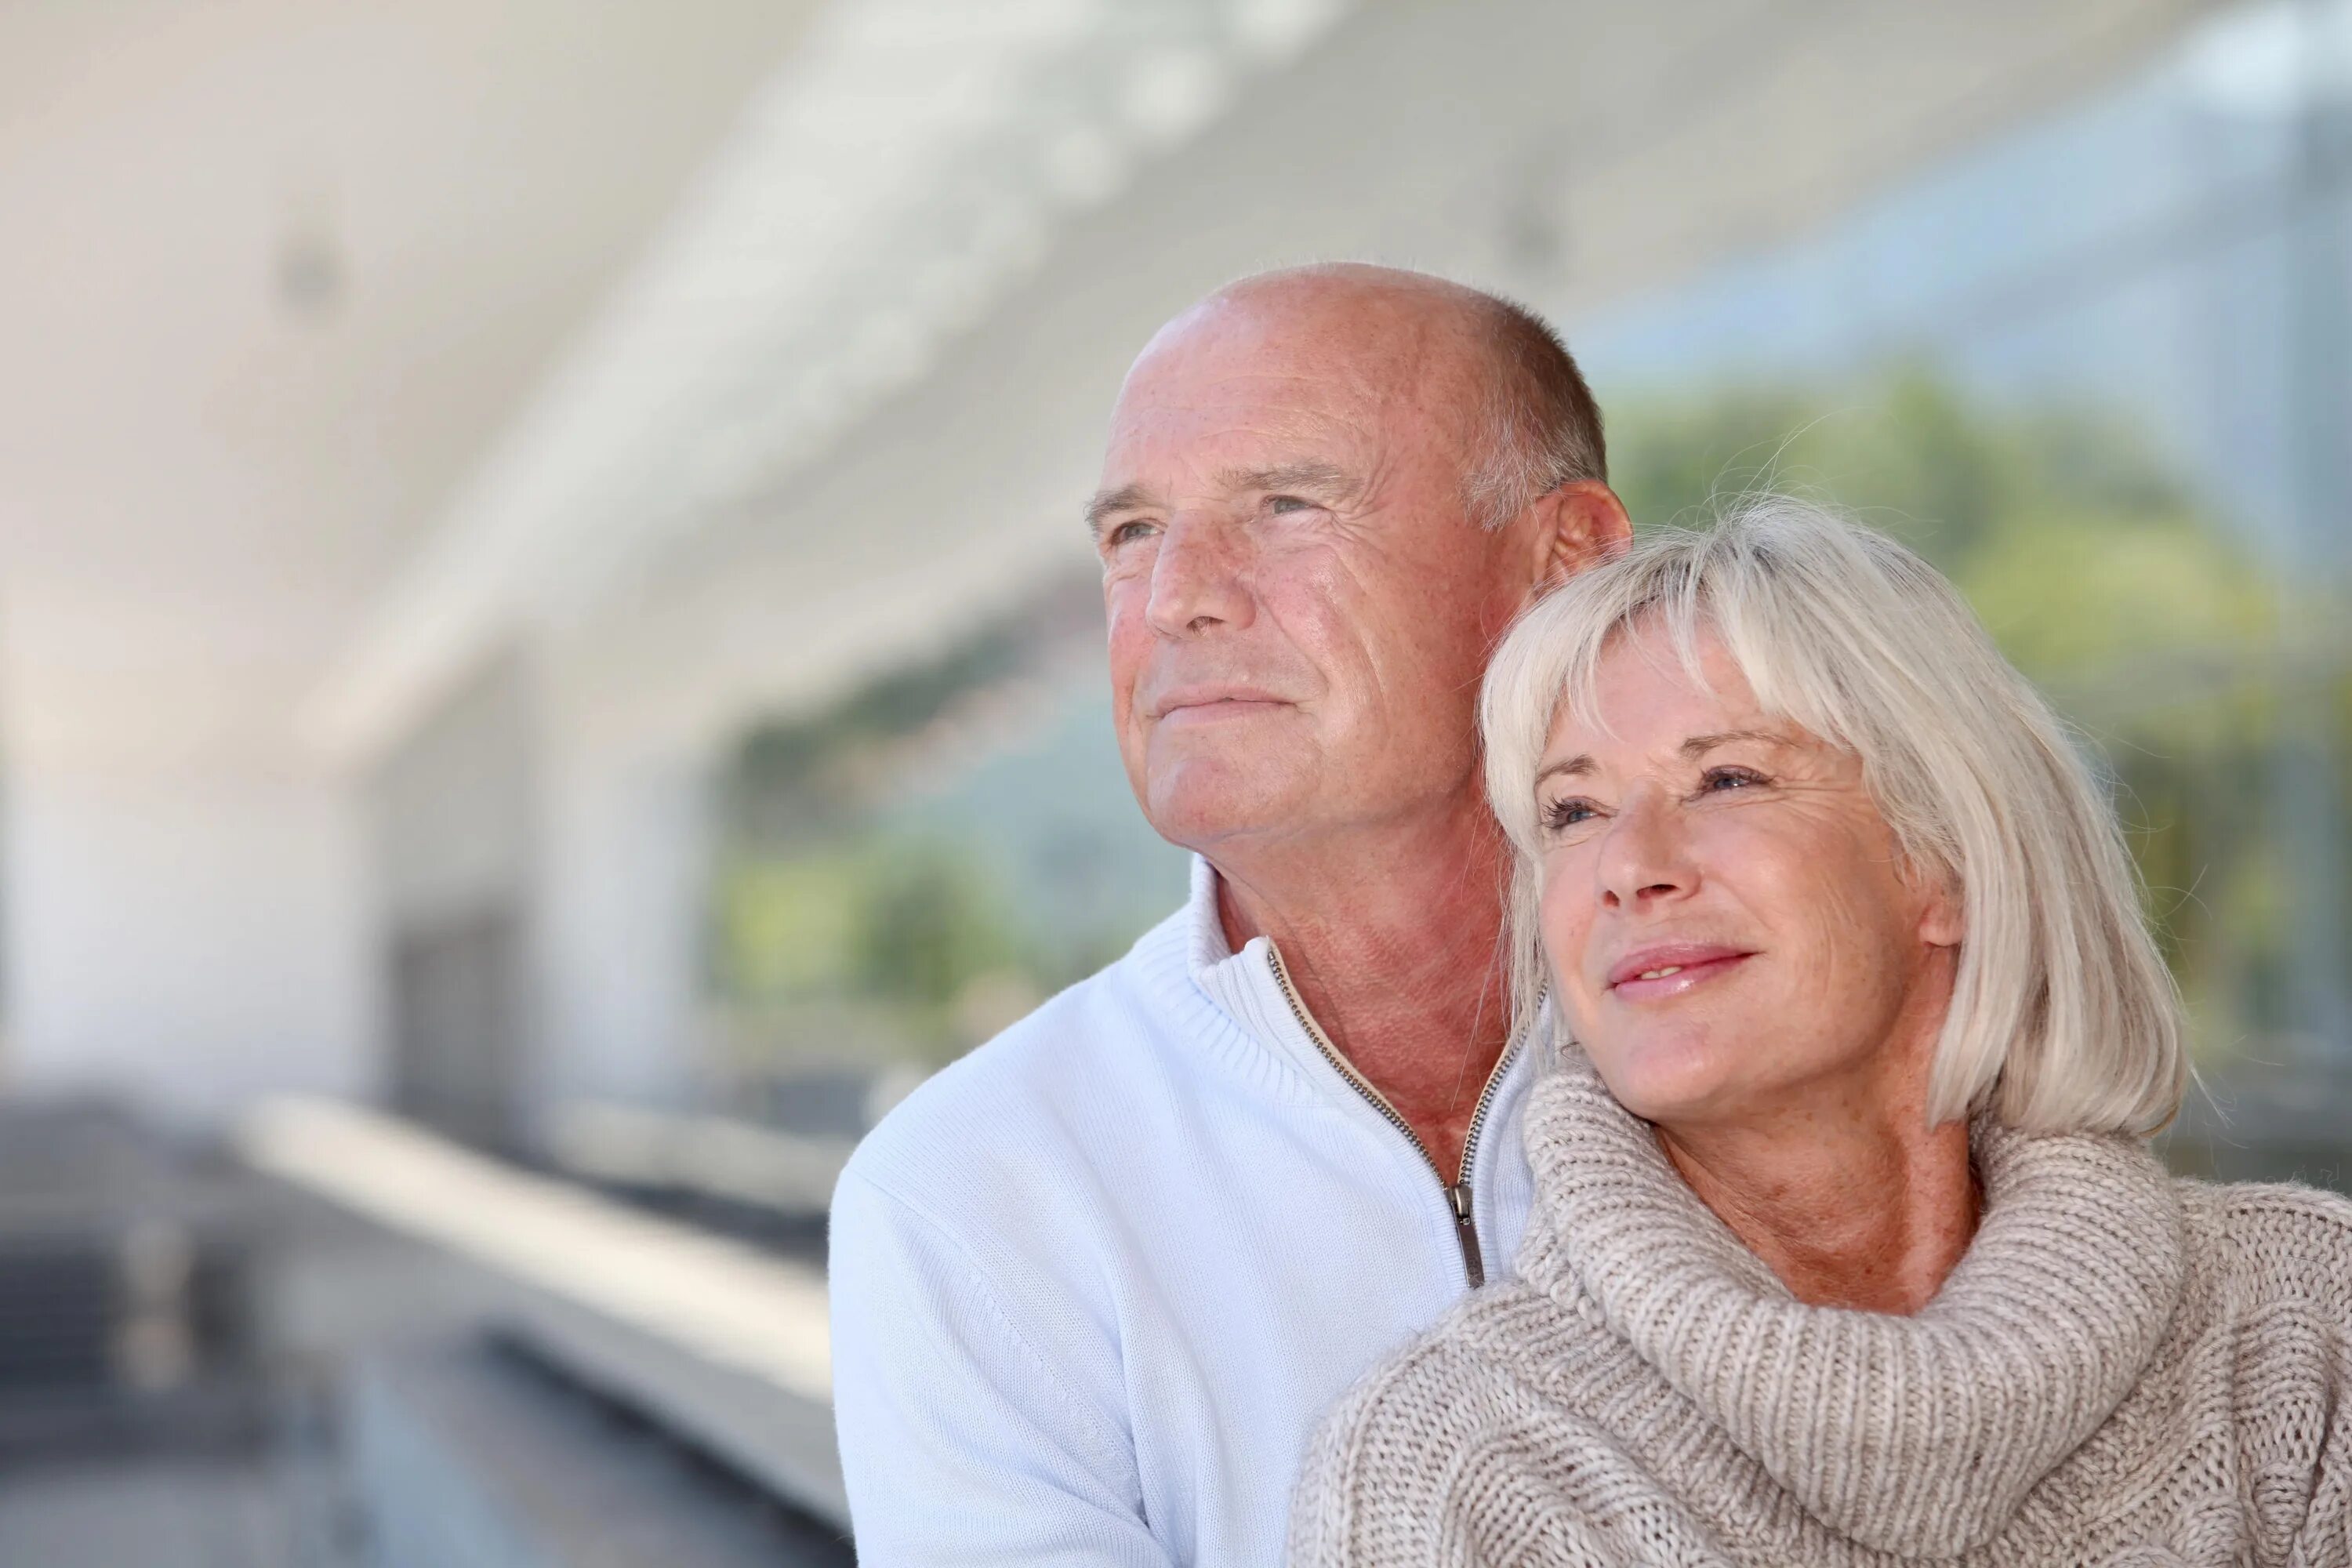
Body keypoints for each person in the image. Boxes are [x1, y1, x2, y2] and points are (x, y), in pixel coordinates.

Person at [1290, 498, 2352, 1566]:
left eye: (1727, 779)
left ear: (1950, 864)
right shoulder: (1464, 1463)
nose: (1627, 865)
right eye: (1573, 812)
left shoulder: (2303, 1331)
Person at [826, 263, 1632, 1565]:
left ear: (1563, 563)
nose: (1177, 597)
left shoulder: (1793, 1050)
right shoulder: (971, 1195)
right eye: (1131, 534)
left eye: (1288, 505)